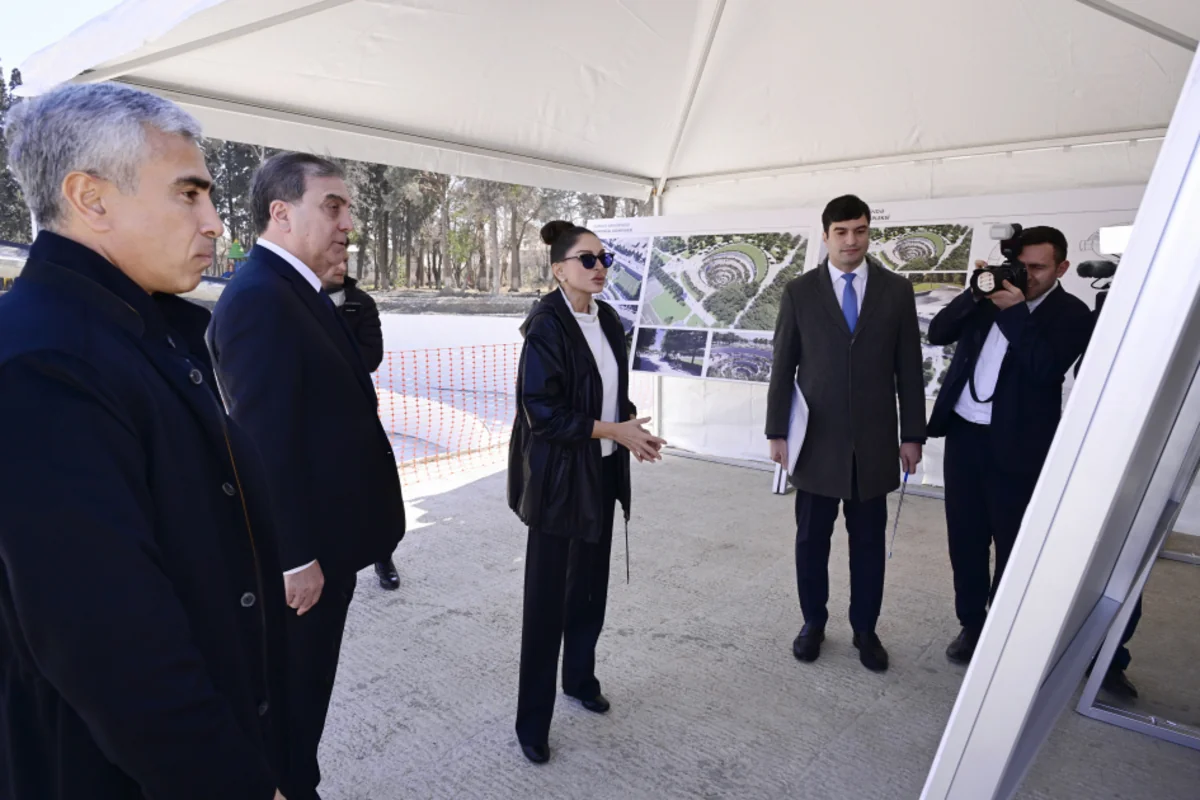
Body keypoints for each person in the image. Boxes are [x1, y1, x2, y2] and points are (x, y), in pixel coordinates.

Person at [0, 83, 289, 800]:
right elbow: (111, 647)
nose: (215, 222)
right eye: (189, 194)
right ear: (91, 199)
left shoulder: (137, 329)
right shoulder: (44, 363)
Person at [208, 152, 406, 800]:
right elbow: (263, 443)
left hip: (331, 541)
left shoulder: (298, 289)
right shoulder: (260, 299)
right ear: (282, 213)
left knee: (310, 687)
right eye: (333, 206)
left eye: (348, 208)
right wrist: (294, 558)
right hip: (306, 558)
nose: (348, 222)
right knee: (294, 691)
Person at [507, 220, 666, 764]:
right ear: (559, 269)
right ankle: (532, 722)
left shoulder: (609, 320)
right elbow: (542, 412)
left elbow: (608, 394)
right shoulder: (546, 326)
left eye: (605, 259)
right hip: (558, 482)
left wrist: (629, 429)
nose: (600, 269)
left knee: (590, 592)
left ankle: (579, 679)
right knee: (545, 604)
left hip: (601, 473)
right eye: (588, 260)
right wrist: (613, 431)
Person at [766, 194, 926, 673]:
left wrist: (912, 434)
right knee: (811, 542)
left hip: (874, 445)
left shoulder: (896, 290)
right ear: (826, 235)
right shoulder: (799, 291)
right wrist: (777, 432)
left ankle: (865, 629)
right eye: (841, 232)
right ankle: (813, 622)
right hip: (815, 442)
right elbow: (783, 366)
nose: (851, 240)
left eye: (859, 230)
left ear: (869, 232)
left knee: (869, 545)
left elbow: (909, 369)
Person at [926, 226, 1094, 667]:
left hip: (1019, 444)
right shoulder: (990, 295)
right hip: (965, 435)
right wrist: (974, 293)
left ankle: (1002, 629)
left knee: (1012, 542)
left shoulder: (1072, 314)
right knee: (965, 539)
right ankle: (971, 623)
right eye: (1022, 265)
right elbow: (938, 332)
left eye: (1038, 267)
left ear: (1062, 268)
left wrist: (1017, 312)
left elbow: (1046, 370)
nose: (1028, 275)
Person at [321, 260, 400, 590]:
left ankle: (383, 555)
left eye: (344, 259)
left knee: (371, 486)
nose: (339, 265)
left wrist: (326, 354)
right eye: (332, 258)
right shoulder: (297, 299)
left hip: (357, 408)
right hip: (316, 412)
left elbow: (371, 357)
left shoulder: (360, 302)